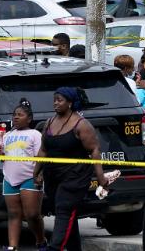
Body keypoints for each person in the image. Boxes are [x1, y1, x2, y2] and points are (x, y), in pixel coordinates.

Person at [33, 87, 109, 251]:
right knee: (66, 215)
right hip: (53, 175)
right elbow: (43, 150)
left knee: (64, 209)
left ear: (69, 103)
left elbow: (94, 150)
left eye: (59, 100)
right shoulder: (49, 122)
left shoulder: (81, 124)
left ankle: (54, 247)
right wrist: (36, 171)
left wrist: (101, 177)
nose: (55, 103)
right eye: (54, 100)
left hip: (75, 176)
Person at [1, 100, 46, 251]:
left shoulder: (35, 134)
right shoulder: (7, 135)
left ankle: (41, 241)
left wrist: (39, 175)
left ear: (29, 118)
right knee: (14, 214)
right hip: (9, 179)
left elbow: (41, 157)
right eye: (14, 115)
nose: (16, 117)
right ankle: (13, 247)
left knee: (32, 214)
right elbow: (4, 156)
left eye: (20, 115)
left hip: (29, 178)